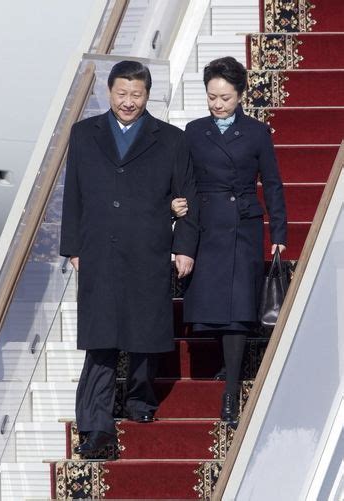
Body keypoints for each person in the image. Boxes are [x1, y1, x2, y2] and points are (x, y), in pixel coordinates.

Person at [60, 60, 199, 456]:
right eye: (121, 93)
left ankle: (140, 400)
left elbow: (188, 197)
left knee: (143, 332)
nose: (128, 102)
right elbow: (75, 194)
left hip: (147, 249)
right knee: (100, 340)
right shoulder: (84, 134)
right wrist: (72, 247)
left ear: (147, 95)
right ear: (109, 92)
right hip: (99, 250)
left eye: (136, 95)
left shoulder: (170, 139)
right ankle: (95, 427)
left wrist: (184, 247)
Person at [172, 56, 287, 428]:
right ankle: (228, 365)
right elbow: (183, 179)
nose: (217, 104)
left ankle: (232, 394)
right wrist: (175, 207)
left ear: (240, 95)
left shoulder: (256, 132)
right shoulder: (193, 131)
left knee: (237, 311)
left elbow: (272, 182)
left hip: (242, 228)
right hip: (206, 225)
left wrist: (280, 235)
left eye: (225, 97)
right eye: (211, 97)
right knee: (215, 308)